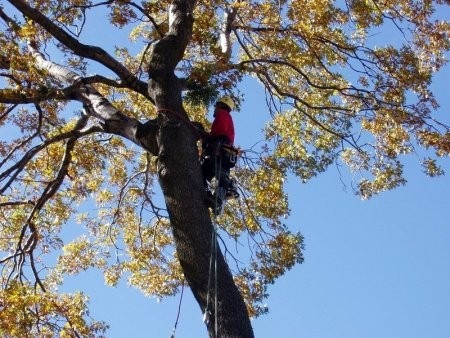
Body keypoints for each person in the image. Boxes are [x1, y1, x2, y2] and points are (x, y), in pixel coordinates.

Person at [201, 96, 239, 215]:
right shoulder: (226, 117)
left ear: (221, 105)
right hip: (219, 152)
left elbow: (220, 131)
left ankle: (218, 199)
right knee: (202, 172)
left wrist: (208, 137)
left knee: (220, 174)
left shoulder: (223, 114)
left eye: (216, 106)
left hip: (219, 151)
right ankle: (212, 197)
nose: (215, 108)